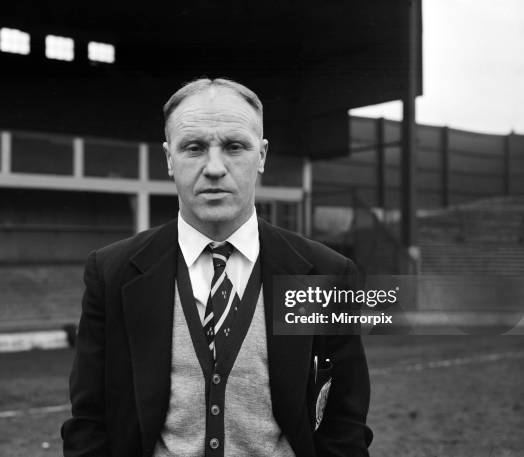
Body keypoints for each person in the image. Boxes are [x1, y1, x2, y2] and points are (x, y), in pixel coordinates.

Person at [61, 78, 372, 457]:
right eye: (193, 148)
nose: (213, 168)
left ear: (261, 155)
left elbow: (345, 425)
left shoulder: (326, 274)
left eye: (234, 146)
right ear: (169, 159)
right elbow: (88, 422)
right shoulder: (112, 272)